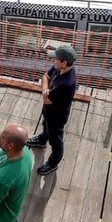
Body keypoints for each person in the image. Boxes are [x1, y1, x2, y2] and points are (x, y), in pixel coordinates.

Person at [26, 45, 78, 175]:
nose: (53, 61)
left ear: (64, 62)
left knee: (56, 141)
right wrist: (45, 89)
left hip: (57, 117)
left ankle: (53, 162)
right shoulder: (59, 68)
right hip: (49, 112)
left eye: (55, 59)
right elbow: (45, 76)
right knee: (45, 125)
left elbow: (46, 100)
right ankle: (42, 140)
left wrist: (45, 92)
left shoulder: (66, 84)